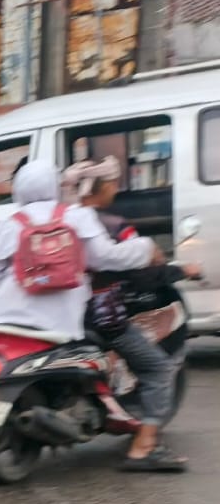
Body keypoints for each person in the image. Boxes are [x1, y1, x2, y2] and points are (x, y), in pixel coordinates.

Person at [0, 161, 175, 467]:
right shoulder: (77, 217)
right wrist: (145, 248)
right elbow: (106, 258)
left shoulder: (10, 224)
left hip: (5, 316)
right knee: (152, 365)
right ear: (55, 187)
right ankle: (144, 445)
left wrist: (23, 284)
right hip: (62, 320)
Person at [67, 156, 197, 471]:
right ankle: (144, 448)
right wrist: (156, 255)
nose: (115, 189)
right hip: (99, 315)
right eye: (113, 183)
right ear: (102, 186)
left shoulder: (53, 217)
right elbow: (118, 262)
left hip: (53, 314)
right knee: (158, 369)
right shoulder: (101, 223)